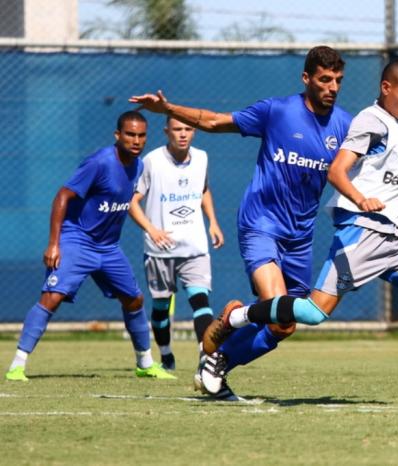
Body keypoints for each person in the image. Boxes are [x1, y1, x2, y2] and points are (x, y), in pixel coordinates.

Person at [202, 58, 398, 408]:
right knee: (313, 313)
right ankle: (237, 318)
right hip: (364, 234)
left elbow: (387, 177)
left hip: (396, 239)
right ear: (386, 88)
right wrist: (361, 200)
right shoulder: (370, 121)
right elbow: (337, 172)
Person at [129, 46, 352, 398]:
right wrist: (168, 109)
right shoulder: (277, 111)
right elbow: (216, 121)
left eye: (338, 80)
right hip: (260, 223)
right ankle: (231, 323)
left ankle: (218, 359)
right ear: (306, 78)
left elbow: (377, 165)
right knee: (276, 302)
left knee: (285, 325)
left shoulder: (344, 125)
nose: (332, 87)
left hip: (300, 236)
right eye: (325, 79)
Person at [5, 111, 176, 382]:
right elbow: (63, 195)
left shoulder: (138, 166)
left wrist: (150, 228)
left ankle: (145, 363)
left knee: (135, 299)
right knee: (52, 297)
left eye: (141, 135)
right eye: (130, 134)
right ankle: (17, 365)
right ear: (117, 135)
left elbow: (126, 201)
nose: (136, 140)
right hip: (78, 241)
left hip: (108, 247)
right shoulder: (99, 162)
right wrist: (54, 244)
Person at [129, 117, 226, 391]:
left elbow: (203, 189)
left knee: (201, 301)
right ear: (167, 132)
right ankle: (166, 353)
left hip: (194, 246)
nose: (183, 135)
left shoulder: (202, 158)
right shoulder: (151, 161)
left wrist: (213, 223)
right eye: (177, 129)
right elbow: (133, 201)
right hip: (159, 250)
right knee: (161, 306)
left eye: (187, 129)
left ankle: (206, 358)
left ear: (193, 132)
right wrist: (151, 229)